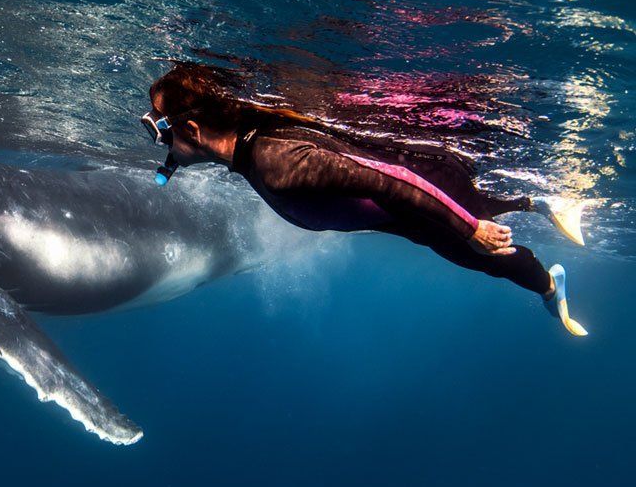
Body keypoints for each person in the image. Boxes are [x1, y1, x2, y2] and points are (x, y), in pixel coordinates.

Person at [141, 62, 589, 335]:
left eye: (156, 128)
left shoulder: (273, 161)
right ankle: (542, 204)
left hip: (421, 186)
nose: (160, 144)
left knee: (489, 253)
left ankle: (551, 287)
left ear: (192, 130)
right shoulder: (259, 151)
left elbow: (389, 180)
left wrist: (469, 229)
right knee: (469, 225)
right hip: (421, 196)